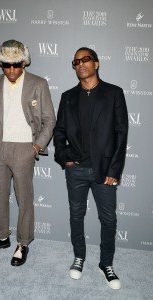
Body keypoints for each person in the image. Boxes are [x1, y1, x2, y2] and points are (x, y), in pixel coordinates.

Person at [53, 47, 128, 289]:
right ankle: (79, 257)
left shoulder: (114, 93)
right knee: (76, 215)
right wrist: (64, 158)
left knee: (108, 219)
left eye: (86, 59)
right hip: (75, 170)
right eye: (76, 61)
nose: (81, 64)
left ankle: (106, 263)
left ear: (97, 63)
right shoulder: (67, 97)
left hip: (104, 170)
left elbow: (121, 133)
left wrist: (114, 171)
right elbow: (59, 131)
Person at [0, 39, 56, 266]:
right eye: (6, 65)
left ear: (25, 63)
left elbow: (49, 120)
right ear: (0, 64)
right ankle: (0, 236)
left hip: (24, 149)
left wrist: (36, 146)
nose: (11, 70)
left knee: (25, 199)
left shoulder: (38, 84)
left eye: (16, 64)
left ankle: (23, 243)